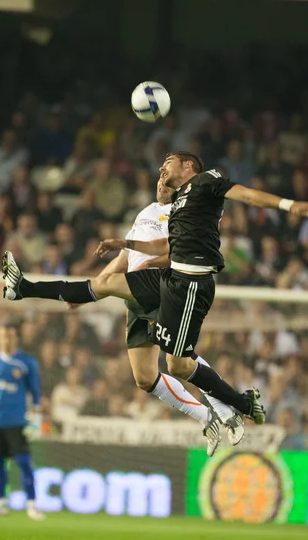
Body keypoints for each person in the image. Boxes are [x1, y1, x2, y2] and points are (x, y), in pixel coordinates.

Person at [2, 151, 308, 433]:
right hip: (168, 281)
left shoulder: (207, 181)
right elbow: (164, 244)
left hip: (190, 285)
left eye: (166, 164)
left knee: (178, 366)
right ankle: (22, 287)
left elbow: (247, 195)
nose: (161, 171)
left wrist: (290, 205)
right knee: (106, 286)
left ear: (187, 165)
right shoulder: (178, 204)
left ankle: (239, 403)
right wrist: (123, 244)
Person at [67, 178, 245, 455]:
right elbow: (124, 258)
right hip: (134, 296)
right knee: (144, 377)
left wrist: (153, 263)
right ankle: (206, 417)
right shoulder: (145, 212)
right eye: (161, 178)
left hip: (161, 290)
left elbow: (182, 254)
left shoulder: (185, 214)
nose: (162, 182)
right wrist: (92, 288)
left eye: (168, 179)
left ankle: (226, 411)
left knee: (179, 360)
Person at [0, 324, 45, 520]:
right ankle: (0, 504)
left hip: (17, 421)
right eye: (3, 336)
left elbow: (36, 394)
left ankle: (32, 505)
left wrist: (36, 420)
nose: (6, 340)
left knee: (23, 462)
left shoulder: (26, 363)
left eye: (10, 337)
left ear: (16, 339)